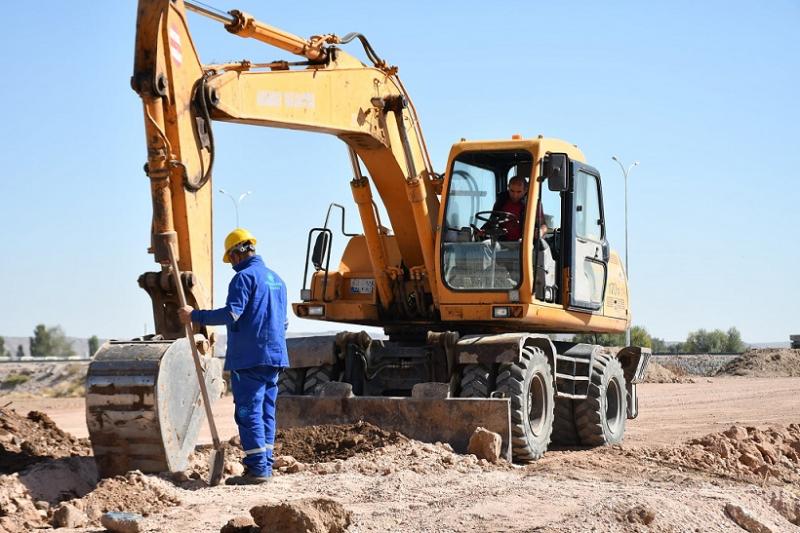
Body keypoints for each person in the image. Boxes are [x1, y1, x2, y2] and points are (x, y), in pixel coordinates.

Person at [178, 228, 288, 485]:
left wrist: (195, 316)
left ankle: (258, 470)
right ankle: (265, 466)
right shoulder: (277, 280)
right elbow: (282, 323)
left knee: (249, 412)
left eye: (230, 260)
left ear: (236, 254)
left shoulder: (243, 279)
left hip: (249, 358)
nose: (232, 266)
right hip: (275, 357)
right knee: (266, 412)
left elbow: (232, 314)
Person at [485, 175, 528, 241]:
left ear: (525, 190)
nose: (515, 195)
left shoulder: (531, 202)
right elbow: (493, 219)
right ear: (508, 188)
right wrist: (483, 231)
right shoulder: (501, 200)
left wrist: (540, 232)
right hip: (502, 242)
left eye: (519, 192)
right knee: (485, 244)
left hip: (524, 243)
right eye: (512, 191)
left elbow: (543, 225)